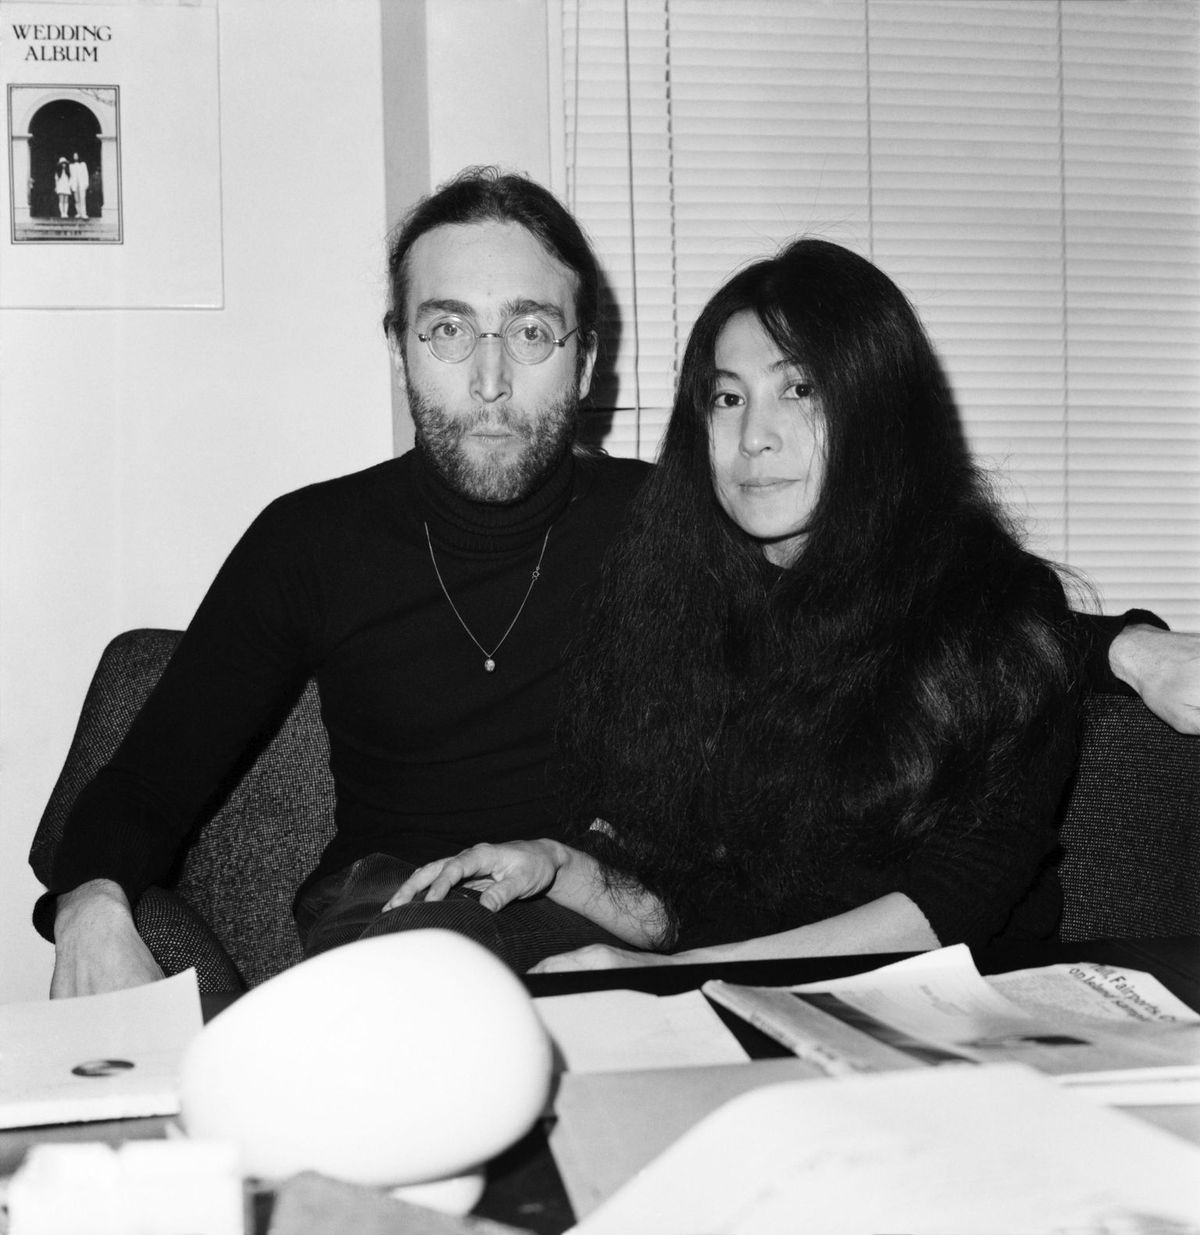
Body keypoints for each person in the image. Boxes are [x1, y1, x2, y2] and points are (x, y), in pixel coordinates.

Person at [37, 170, 1200, 997]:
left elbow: (904, 585)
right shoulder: (310, 540)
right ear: (399, 347)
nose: (490, 380)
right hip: (403, 915)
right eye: (450, 331)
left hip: (632, 911)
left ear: (585, 360)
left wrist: (1124, 646)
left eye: (531, 332)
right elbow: (146, 770)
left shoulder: (681, 513)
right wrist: (93, 900)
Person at [387, 238, 1195, 969]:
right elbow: (680, 909)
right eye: (728, 398)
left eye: (799, 389)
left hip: (955, 1020)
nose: (755, 438)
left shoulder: (994, 607)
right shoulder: (678, 610)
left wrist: (685, 979)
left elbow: (950, 909)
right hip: (752, 1008)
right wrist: (562, 867)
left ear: (875, 408)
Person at [68, 153, 89, 220]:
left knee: (82, 199)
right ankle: (79, 212)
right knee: (76, 199)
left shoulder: (83, 164)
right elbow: (71, 176)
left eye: (76, 155)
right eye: (74, 156)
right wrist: (70, 185)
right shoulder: (71, 165)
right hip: (75, 184)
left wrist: (86, 183)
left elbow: (86, 174)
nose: (75, 157)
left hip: (82, 183)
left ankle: (84, 213)